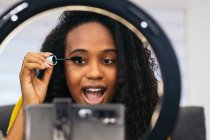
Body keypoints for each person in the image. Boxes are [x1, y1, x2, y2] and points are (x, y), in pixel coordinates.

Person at [6, 11, 158, 140]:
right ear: (61, 67)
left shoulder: (149, 112)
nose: (94, 73)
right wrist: (29, 106)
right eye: (79, 60)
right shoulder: (31, 102)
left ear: (126, 68)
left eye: (107, 60)